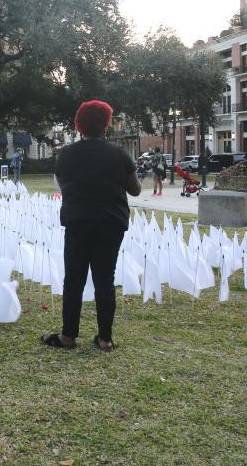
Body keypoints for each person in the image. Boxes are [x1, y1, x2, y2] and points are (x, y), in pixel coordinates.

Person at [42, 100, 141, 352]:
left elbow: (63, 184)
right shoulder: (119, 154)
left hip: (78, 220)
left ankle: (68, 336)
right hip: (111, 223)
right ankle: (105, 338)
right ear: (106, 125)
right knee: (104, 280)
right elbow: (136, 190)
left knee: (74, 278)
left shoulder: (66, 153)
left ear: (79, 125)